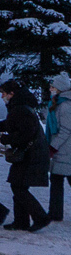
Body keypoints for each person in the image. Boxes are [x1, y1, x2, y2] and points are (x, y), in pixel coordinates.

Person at [0, 79, 52, 231]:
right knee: (18, 185)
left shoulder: (20, 109)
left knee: (18, 187)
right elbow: (12, 124)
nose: (2, 96)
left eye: (4, 93)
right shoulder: (20, 107)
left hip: (31, 155)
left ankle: (40, 217)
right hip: (31, 153)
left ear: (12, 93)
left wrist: (3, 138)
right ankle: (21, 222)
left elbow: (25, 134)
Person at [50, 73, 71, 222]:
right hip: (63, 151)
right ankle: (55, 213)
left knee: (57, 182)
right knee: (57, 182)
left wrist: (53, 146)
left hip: (65, 151)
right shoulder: (60, 103)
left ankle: (55, 214)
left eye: (53, 86)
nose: (50, 89)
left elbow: (65, 130)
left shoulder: (65, 106)